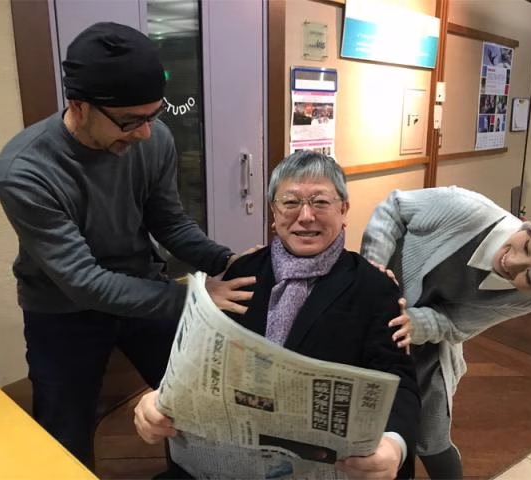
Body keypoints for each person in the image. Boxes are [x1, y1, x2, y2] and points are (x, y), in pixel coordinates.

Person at [0, 22, 254, 468]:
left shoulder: (155, 139)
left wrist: (225, 260)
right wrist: (195, 296)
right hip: (62, 308)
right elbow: (83, 282)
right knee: (64, 433)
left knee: (196, 402)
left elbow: (169, 222)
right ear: (78, 105)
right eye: (130, 121)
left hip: (141, 284)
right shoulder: (23, 170)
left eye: (154, 116)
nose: (145, 134)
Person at [134, 151, 421, 479]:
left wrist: (394, 446)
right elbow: (197, 364)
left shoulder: (373, 286)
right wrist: (158, 401)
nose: (306, 216)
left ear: (344, 209)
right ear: (273, 211)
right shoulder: (242, 274)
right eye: (291, 202)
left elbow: (398, 381)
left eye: (320, 202)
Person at [360, 186, 531, 479]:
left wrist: (414, 324)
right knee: (363, 418)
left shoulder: (530, 297)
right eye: (528, 246)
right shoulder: (468, 210)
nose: (511, 263)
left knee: (431, 436)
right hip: (368, 312)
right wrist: (372, 270)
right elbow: (395, 207)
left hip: (424, 346)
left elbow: (455, 323)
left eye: (528, 277)